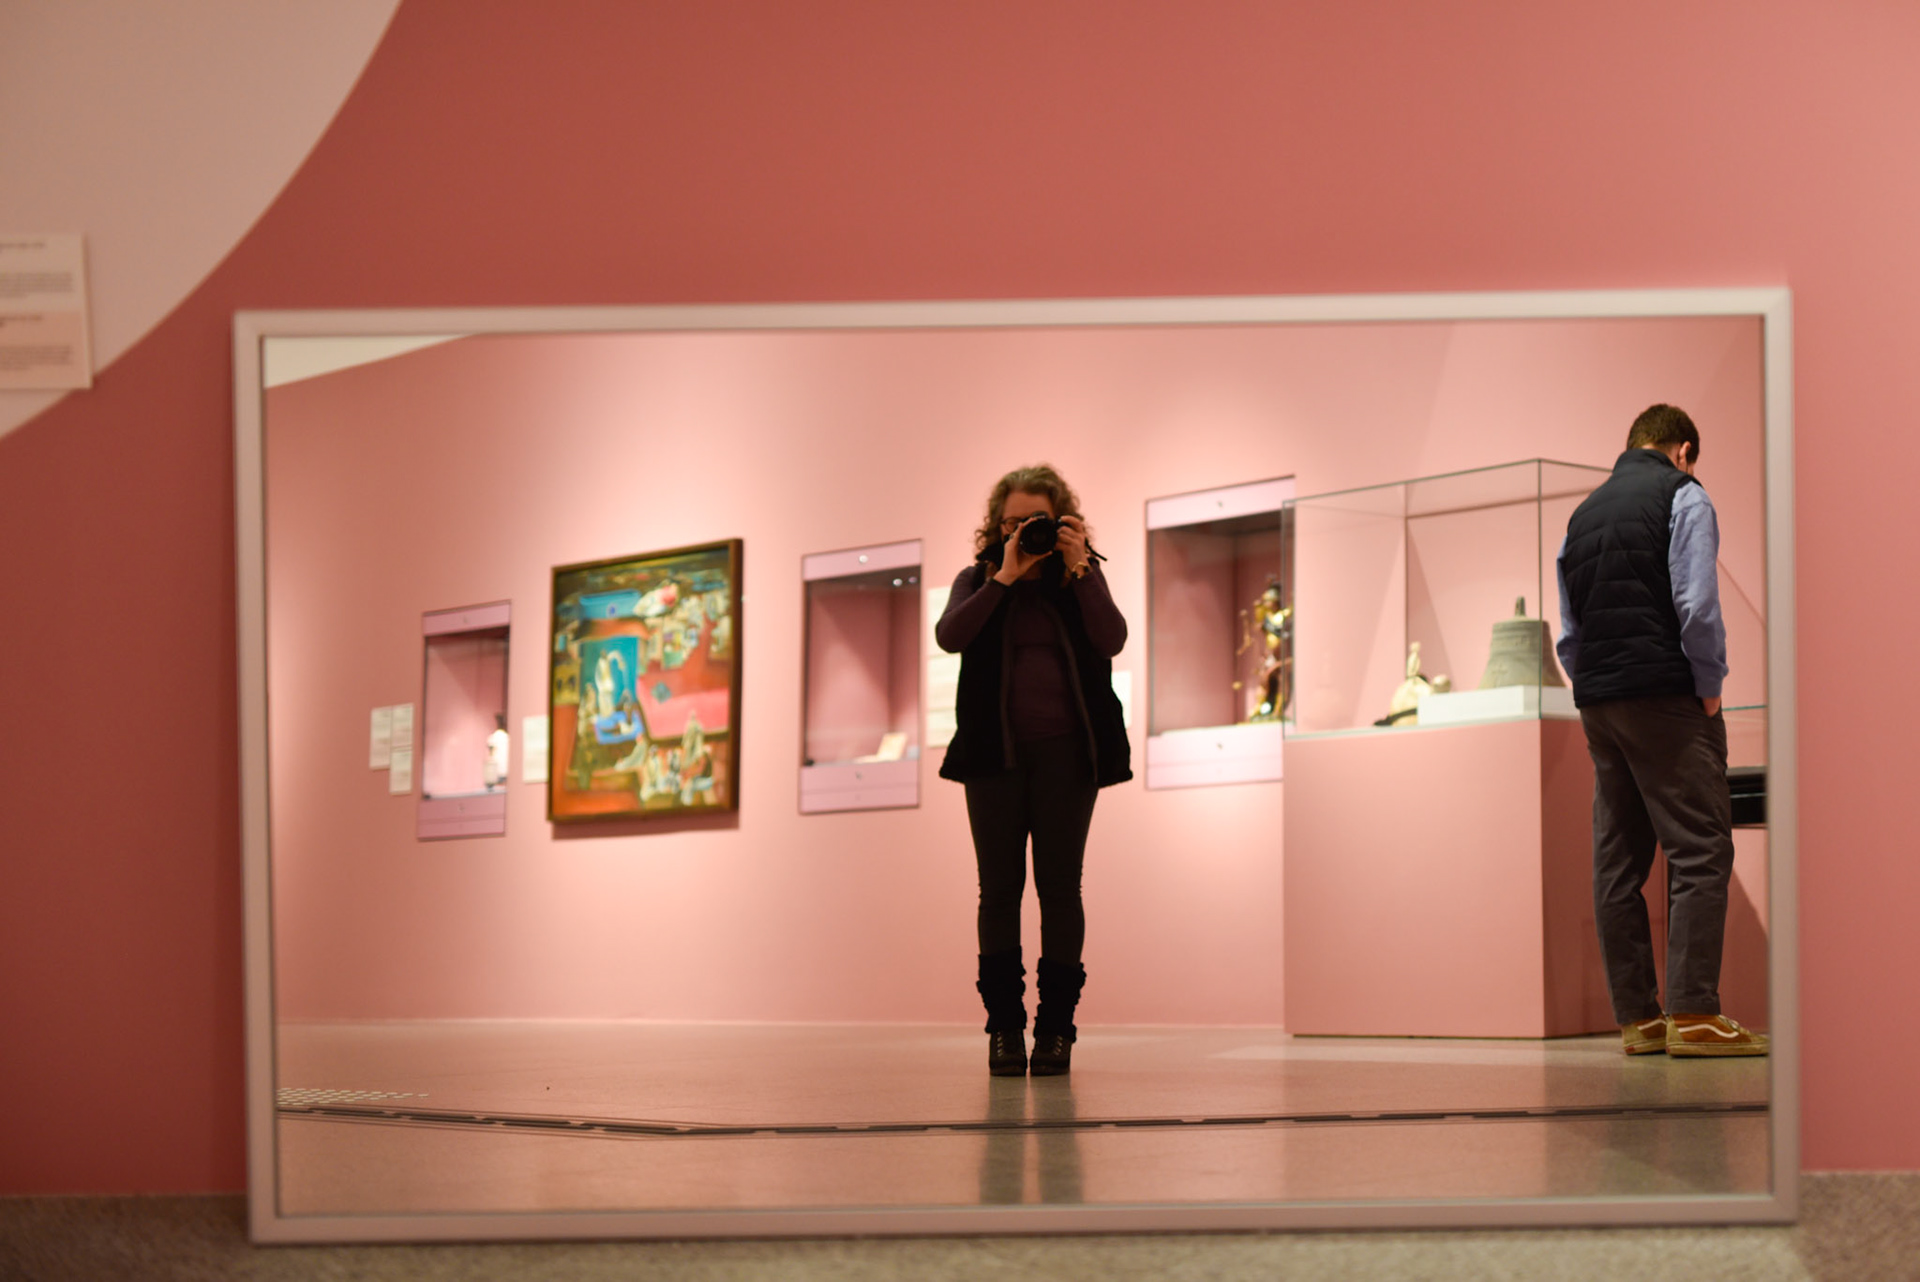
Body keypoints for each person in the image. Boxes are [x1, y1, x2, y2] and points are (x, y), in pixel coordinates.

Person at [1556, 404, 1767, 1058]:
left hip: (1600, 701)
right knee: (1702, 846)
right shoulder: (1685, 496)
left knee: (1618, 860)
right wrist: (1708, 686)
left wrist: (1593, 688)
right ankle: (1696, 1014)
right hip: (1666, 693)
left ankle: (1640, 1021)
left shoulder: (1583, 514)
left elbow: (1570, 631)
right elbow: (1697, 605)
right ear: (1682, 451)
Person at [936, 465, 1131, 1077]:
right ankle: (1003, 1030)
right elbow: (950, 636)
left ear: (1062, 521)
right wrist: (1003, 579)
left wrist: (1080, 568)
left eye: (1035, 522)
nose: (1023, 531)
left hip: (1068, 757)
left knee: (1059, 890)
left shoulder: (1080, 581)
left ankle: (1056, 1031)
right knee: (997, 892)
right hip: (994, 755)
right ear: (997, 525)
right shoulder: (977, 579)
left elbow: (1112, 638)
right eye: (1013, 521)